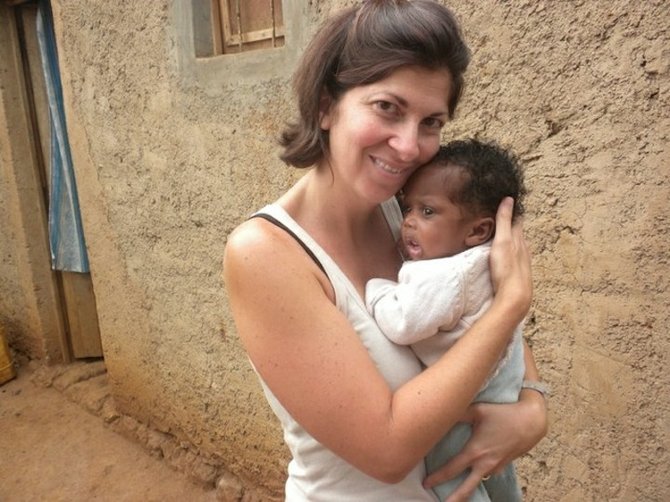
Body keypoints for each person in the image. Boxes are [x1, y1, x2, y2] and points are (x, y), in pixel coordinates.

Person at [223, 1, 548, 501]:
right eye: (387, 108)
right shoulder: (266, 254)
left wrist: (532, 408)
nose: (408, 146)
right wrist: (512, 306)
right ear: (326, 106)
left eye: (431, 122)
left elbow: (477, 318)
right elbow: (388, 450)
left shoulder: (413, 213)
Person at [366, 139, 534, 501]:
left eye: (427, 212)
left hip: (476, 388)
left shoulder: (442, 275)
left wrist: (377, 289)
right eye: (407, 207)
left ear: (477, 230)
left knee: (452, 471)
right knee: (497, 473)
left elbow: (402, 322)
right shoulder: (484, 256)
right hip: (507, 374)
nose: (409, 221)